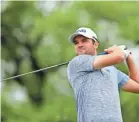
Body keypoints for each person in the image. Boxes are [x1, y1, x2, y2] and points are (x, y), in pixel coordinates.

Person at [67, 27, 139, 122]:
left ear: (95, 44)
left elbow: (137, 86)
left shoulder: (112, 70)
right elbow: (118, 57)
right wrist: (118, 50)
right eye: (76, 42)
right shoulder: (77, 63)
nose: (79, 45)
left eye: (84, 41)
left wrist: (128, 56)